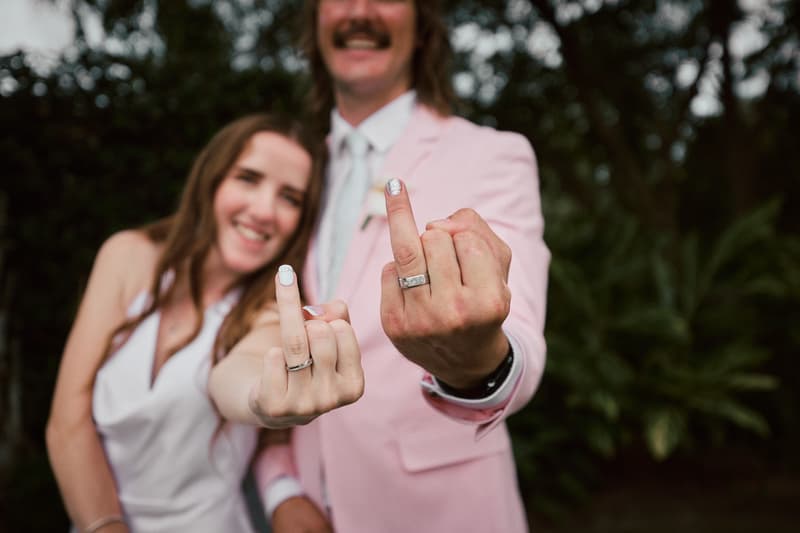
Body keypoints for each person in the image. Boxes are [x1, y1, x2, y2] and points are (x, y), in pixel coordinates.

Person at [256, 1, 550, 532]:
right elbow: (250, 336)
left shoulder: (492, 154)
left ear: (422, 28)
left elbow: (521, 336)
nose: (359, 12)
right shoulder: (288, 169)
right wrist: (281, 488)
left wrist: (475, 364)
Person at [45, 113, 364, 533]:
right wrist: (106, 526)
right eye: (248, 178)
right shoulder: (127, 256)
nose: (264, 210)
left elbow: (237, 378)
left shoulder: (270, 310)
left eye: (290, 197)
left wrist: (264, 397)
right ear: (212, 180)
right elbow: (67, 418)